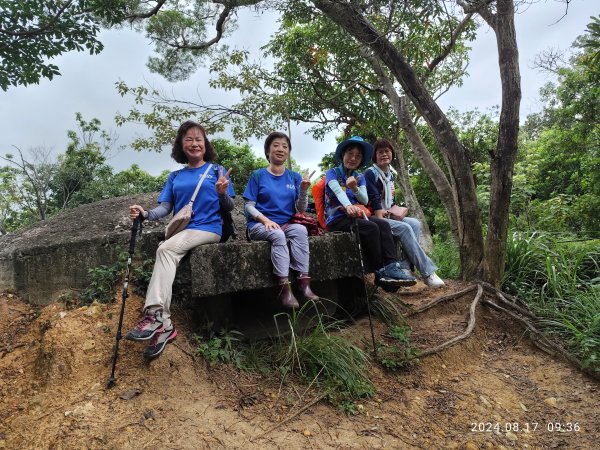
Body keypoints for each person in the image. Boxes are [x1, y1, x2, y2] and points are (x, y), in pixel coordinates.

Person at [126, 120, 235, 359]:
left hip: (210, 228)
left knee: (165, 250)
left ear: (205, 144)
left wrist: (222, 192)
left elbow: (230, 207)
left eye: (199, 139)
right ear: (181, 145)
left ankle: (155, 315)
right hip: (185, 231)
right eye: (189, 139)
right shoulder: (175, 176)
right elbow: (164, 208)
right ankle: (164, 325)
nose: (195, 143)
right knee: (168, 251)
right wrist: (144, 214)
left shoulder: (217, 171)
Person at [324, 135, 416, 289]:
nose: (353, 158)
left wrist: (354, 188)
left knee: (383, 225)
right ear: (342, 155)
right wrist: (348, 206)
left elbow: (365, 200)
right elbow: (338, 192)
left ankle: (392, 266)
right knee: (371, 228)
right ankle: (379, 272)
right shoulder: (332, 173)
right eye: (350, 154)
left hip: (356, 216)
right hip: (337, 218)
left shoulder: (359, 177)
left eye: (358, 156)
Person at [243, 131, 318, 309]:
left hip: (286, 224)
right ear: (268, 151)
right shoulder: (258, 175)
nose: (280, 149)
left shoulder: (294, 177)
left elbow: (300, 209)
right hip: (259, 225)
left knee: (300, 230)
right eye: (276, 145)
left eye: (285, 146)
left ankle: (304, 283)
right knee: (277, 234)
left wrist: (303, 190)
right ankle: (285, 289)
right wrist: (264, 220)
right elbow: (248, 206)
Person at [364, 138, 445, 288]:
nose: (384, 155)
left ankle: (405, 268)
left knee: (414, 223)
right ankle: (428, 273)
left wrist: (397, 211)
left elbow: (390, 201)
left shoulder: (390, 175)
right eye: (380, 152)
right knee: (404, 228)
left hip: (387, 214)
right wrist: (382, 222)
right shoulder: (370, 173)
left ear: (392, 154)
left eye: (387, 151)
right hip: (375, 217)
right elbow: (374, 199)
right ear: (374, 156)